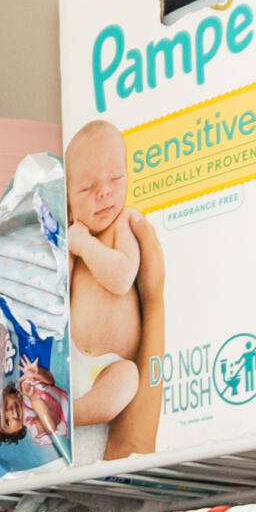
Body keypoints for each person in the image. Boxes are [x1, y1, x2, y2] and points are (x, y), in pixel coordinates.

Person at [59, 119, 167, 459]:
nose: (104, 192)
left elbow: (122, 277)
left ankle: (70, 415)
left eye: (115, 179)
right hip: (72, 362)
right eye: (87, 188)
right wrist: (69, 250)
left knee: (128, 379)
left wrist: (85, 247)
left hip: (111, 366)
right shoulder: (73, 235)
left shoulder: (124, 223)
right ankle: (59, 411)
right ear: (68, 200)